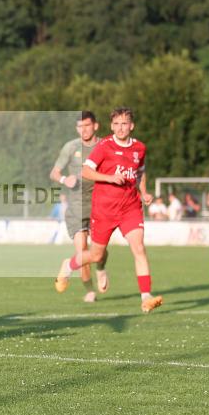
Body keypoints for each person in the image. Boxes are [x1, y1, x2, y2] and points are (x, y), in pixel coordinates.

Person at [55, 107, 162, 314]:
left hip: (130, 207)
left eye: (125, 123)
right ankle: (69, 265)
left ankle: (146, 297)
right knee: (96, 255)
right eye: (117, 124)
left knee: (139, 247)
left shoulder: (140, 148)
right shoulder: (104, 146)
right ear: (112, 126)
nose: (121, 128)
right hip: (104, 210)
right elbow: (86, 171)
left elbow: (140, 172)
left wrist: (144, 192)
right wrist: (109, 178)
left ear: (132, 125)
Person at [51, 111, 109, 303]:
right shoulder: (71, 147)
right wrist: (63, 179)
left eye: (86, 125)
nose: (83, 130)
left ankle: (101, 268)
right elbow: (55, 172)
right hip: (76, 208)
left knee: (99, 252)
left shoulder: (105, 146)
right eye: (79, 126)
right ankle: (90, 291)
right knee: (82, 250)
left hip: (100, 205)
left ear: (96, 126)